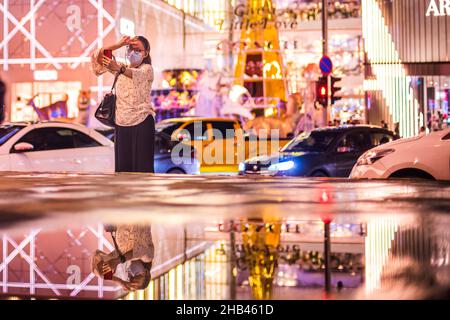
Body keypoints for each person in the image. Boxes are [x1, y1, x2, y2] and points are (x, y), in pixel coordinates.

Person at [91, 36, 155, 173]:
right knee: (122, 171)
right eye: (130, 48)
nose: (133, 52)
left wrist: (118, 68)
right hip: (121, 124)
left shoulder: (147, 69)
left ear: (146, 53)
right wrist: (117, 45)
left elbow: (134, 74)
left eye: (138, 49)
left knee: (142, 170)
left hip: (142, 122)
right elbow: (97, 56)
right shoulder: (119, 68)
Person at [92, 224, 154, 292]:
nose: (132, 273)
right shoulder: (148, 257)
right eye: (137, 275)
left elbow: (98, 269)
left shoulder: (121, 257)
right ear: (146, 272)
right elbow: (137, 252)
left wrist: (120, 282)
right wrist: (117, 261)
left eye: (131, 277)